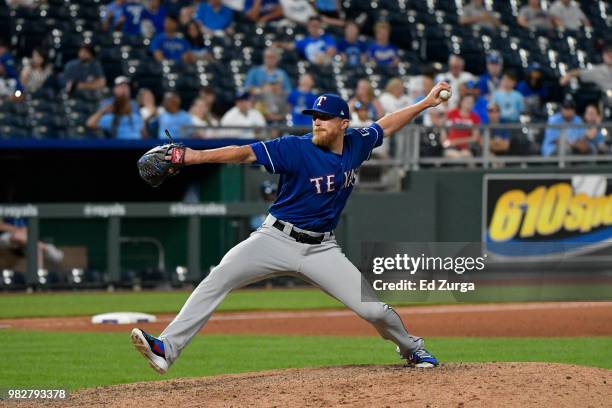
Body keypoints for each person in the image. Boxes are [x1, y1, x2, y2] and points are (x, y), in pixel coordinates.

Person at [130, 81, 453, 374]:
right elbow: (244, 153)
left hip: (321, 248)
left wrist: (425, 103)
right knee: (218, 277)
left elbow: (386, 124)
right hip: (275, 238)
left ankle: (412, 348)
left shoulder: (357, 143)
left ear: (343, 124)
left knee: (374, 311)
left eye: (324, 117)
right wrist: (192, 157)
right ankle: (166, 348)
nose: (317, 121)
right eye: (314, 115)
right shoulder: (295, 148)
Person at [444, 94, 481, 158]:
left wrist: (457, 141)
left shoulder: (475, 117)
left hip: (466, 147)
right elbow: (445, 131)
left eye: (472, 102)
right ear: (461, 102)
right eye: (467, 101)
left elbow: (475, 137)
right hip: (451, 146)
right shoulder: (451, 114)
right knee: (456, 156)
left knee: (466, 155)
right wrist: (445, 142)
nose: (469, 103)